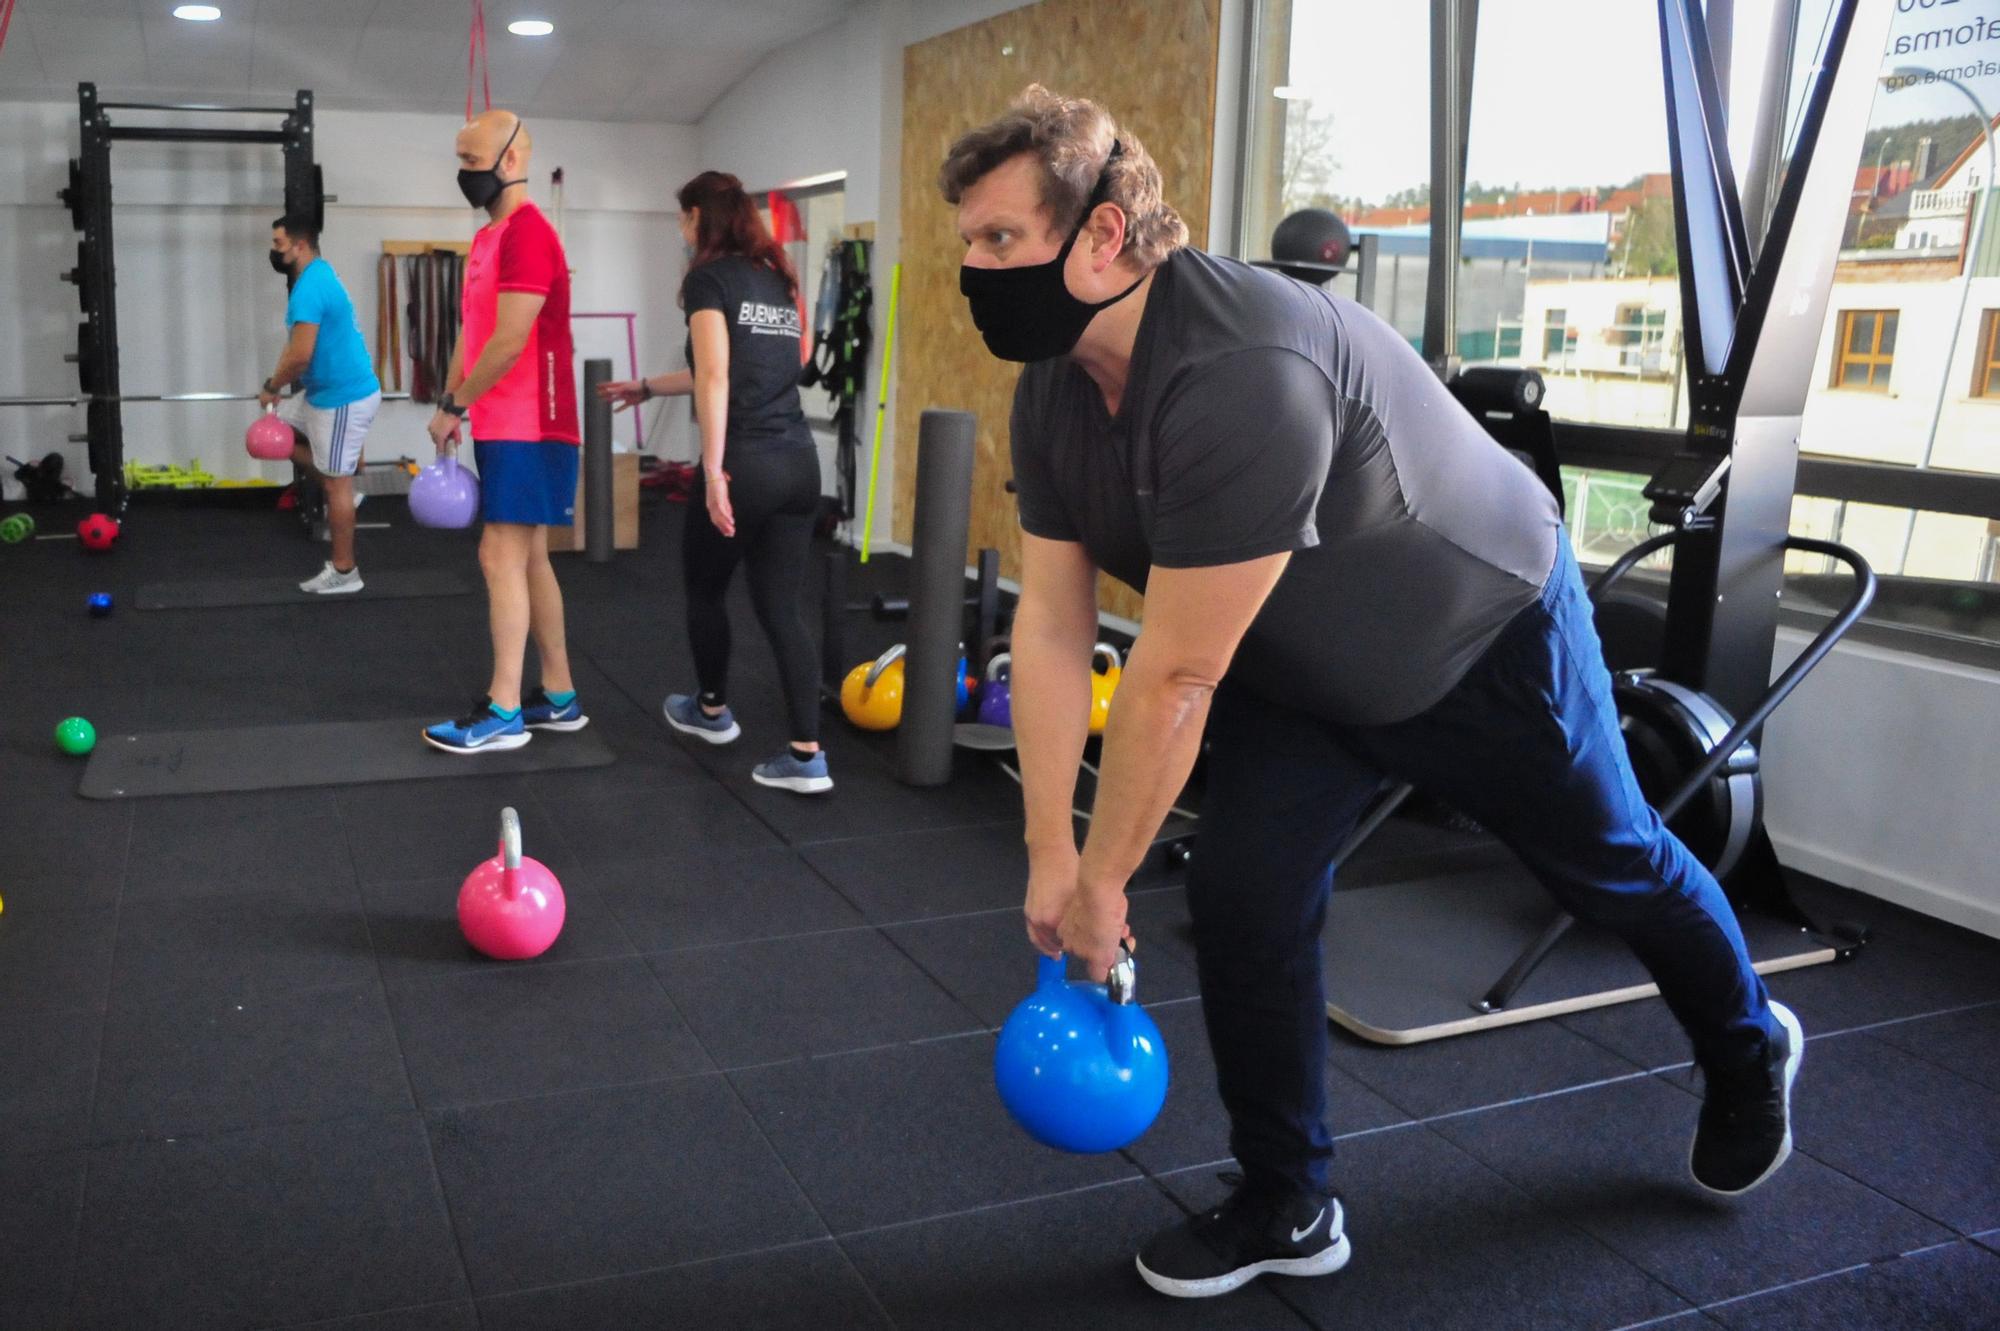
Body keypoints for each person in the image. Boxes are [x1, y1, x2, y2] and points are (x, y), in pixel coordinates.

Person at [942, 85, 1803, 1301]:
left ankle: (1744, 1041)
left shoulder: (1240, 366)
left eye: (997, 241)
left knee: (1609, 863)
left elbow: (1174, 672)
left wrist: (1102, 881)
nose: (974, 270)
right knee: (1243, 897)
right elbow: (1050, 622)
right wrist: (1047, 853)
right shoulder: (1056, 383)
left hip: (1481, 630)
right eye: (967, 242)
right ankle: (1287, 1199)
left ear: (1100, 235)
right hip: (1301, 667)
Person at [598, 171, 831, 794]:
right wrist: (646, 386)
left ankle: (710, 712)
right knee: (782, 608)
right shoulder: (776, 278)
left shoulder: (708, 279)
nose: (681, 228)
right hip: (799, 464)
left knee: (704, 589)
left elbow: (719, 378)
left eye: (682, 217)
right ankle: (808, 756)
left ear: (701, 216)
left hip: (746, 463)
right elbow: (738, 369)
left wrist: (713, 471)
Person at [421, 110, 588, 753]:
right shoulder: (489, 238)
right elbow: (476, 328)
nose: (464, 173)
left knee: (499, 554)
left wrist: (458, 406)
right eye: (460, 161)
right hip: (503, 419)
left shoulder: (529, 235)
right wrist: (452, 398)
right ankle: (562, 695)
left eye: (472, 161)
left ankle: (504, 710)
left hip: (535, 423)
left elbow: (514, 339)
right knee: (529, 556)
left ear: (511, 161)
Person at [259, 213, 381, 594]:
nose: (274, 251)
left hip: (342, 397)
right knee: (276, 426)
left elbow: (300, 357)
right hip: (321, 394)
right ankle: (345, 473)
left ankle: (345, 572)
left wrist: (271, 385)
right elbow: (296, 346)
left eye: (279, 244)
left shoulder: (311, 285)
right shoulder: (315, 276)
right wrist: (277, 390)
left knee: (334, 486)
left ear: (300, 246)